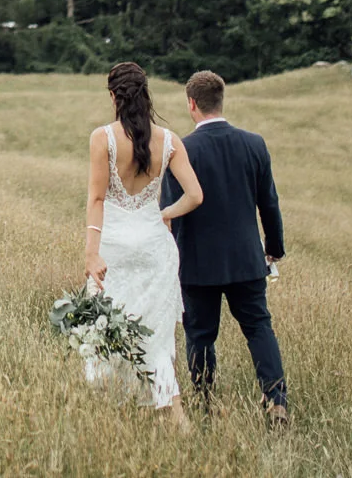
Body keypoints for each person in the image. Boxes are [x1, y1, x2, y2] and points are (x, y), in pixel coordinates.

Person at [162, 69, 289, 425]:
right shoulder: (255, 143)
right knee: (259, 328)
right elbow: (270, 204)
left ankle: (203, 401)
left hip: (197, 262)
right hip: (246, 260)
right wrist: (274, 249)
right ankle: (276, 398)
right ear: (221, 100)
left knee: (200, 334)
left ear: (192, 104)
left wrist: (170, 260)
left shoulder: (182, 149)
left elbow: (173, 211)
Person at [83, 61, 202, 427]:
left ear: (113, 96)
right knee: (156, 338)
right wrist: (165, 212)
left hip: (114, 248)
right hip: (154, 247)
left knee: (107, 331)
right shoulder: (169, 141)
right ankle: (176, 419)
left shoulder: (102, 137)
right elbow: (196, 195)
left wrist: (91, 252)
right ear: (145, 94)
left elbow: (97, 199)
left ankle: (110, 417)